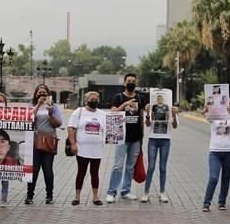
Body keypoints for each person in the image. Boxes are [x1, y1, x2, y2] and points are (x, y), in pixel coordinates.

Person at [107, 73, 147, 203]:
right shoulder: (118, 97)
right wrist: (125, 104)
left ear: (136, 83)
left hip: (136, 138)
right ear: (124, 83)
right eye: (129, 81)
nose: (131, 83)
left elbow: (141, 116)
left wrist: (142, 135)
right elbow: (113, 113)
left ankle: (126, 190)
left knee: (130, 166)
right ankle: (111, 192)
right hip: (121, 137)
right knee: (118, 165)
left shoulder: (140, 99)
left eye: (133, 81)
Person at [203, 95, 230, 212]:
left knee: (226, 178)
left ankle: (222, 202)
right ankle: (206, 203)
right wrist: (205, 109)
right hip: (215, 152)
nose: (228, 106)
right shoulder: (215, 115)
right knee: (213, 178)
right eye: (226, 103)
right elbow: (206, 117)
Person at [68, 91, 106, 206]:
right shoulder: (79, 112)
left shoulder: (102, 114)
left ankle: (95, 196)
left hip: (96, 149)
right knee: (81, 172)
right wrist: (73, 144)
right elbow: (70, 128)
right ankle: (77, 196)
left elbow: (108, 128)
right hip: (82, 148)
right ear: (86, 100)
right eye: (92, 99)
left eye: (96, 99)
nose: (94, 101)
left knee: (95, 173)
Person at [26, 84, 62, 205]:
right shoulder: (31, 105)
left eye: (44, 93)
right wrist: (38, 105)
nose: (42, 95)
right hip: (34, 142)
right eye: (39, 93)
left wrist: (51, 113)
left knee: (47, 170)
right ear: (36, 94)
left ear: (48, 94)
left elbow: (58, 124)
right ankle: (29, 195)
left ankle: (49, 195)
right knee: (34, 170)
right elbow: (28, 118)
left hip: (49, 141)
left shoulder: (54, 107)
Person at [142, 92, 178, 203]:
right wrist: (147, 112)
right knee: (151, 167)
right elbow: (148, 124)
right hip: (153, 139)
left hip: (165, 140)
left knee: (163, 168)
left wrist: (174, 115)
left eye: (161, 98)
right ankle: (146, 193)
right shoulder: (154, 107)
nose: (160, 99)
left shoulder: (168, 108)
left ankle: (162, 192)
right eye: (158, 98)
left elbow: (175, 125)